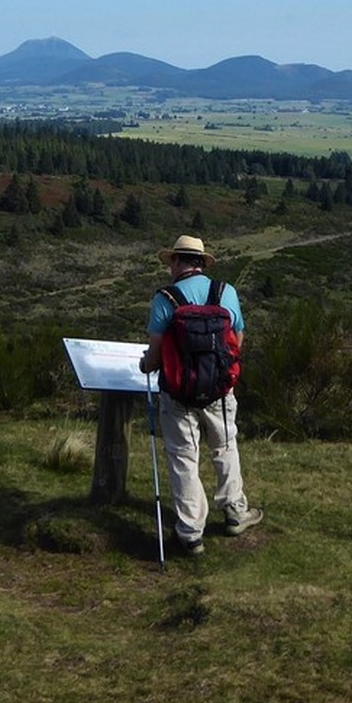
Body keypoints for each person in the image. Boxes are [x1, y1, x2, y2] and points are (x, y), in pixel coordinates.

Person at [138, 235, 263, 556]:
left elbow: (154, 354)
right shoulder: (225, 292)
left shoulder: (165, 298)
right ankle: (235, 511)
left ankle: (191, 532)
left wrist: (145, 365)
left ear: (179, 262)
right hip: (220, 390)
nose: (170, 268)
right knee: (224, 446)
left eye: (172, 262)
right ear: (202, 263)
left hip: (178, 392)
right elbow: (237, 336)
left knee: (183, 457)